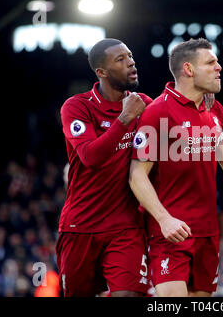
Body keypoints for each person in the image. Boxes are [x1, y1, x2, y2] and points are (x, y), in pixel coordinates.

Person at [129, 38, 223, 297]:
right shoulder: (158, 111)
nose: (219, 67)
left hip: (208, 234)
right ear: (188, 69)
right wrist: (164, 220)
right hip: (170, 234)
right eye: (211, 62)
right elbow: (137, 176)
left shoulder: (215, 110)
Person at [56, 38, 152, 297]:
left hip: (126, 226)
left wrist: (198, 92)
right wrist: (125, 119)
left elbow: (177, 118)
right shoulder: (77, 106)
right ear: (102, 72)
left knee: (129, 294)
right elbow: (90, 157)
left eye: (130, 56)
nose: (131, 62)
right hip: (80, 225)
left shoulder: (144, 104)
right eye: (120, 60)